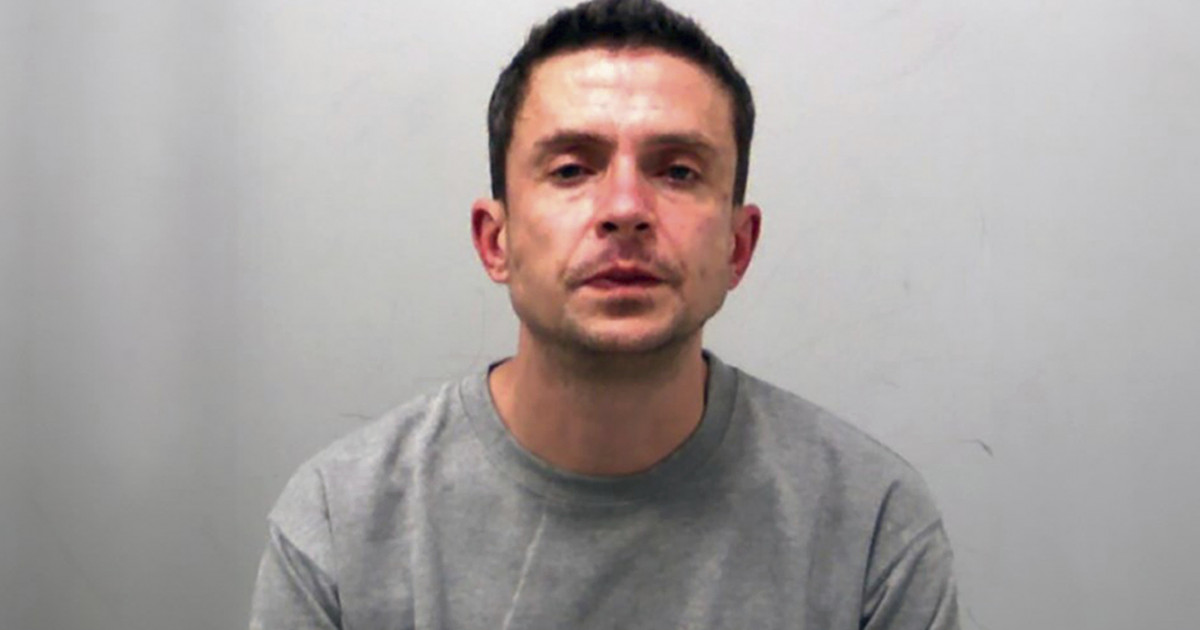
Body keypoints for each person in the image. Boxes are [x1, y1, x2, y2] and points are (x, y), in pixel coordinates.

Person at [249, 0, 960, 628]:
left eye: (677, 171)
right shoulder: (342, 524)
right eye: (571, 169)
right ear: (495, 241)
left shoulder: (871, 526)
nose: (625, 209)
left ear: (737, 248)